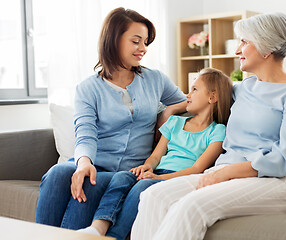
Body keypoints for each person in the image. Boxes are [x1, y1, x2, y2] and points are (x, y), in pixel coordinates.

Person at [131, 12, 286, 240]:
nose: (237, 50)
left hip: (275, 182)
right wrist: (171, 109)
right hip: (223, 173)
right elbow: (203, 97)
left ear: (266, 48)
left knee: (192, 206)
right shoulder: (242, 88)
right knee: (154, 195)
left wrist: (228, 172)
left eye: (244, 42)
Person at [35, 7, 188, 230]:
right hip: (95, 163)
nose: (143, 48)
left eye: (146, 42)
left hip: (129, 171)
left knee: (92, 184)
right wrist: (84, 163)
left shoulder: (155, 80)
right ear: (114, 40)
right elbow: (85, 132)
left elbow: (190, 101)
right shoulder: (88, 88)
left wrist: (168, 111)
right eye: (136, 41)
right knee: (58, 173)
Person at [77, 67, 233, 239]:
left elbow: (197, 168)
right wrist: (147, 167)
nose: (187, 95)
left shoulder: (218, 131)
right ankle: (97, 228)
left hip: (178, 178)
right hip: (157, 172)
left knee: (142, 187)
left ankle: (113, 236)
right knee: (122, 177)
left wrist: (159, 179)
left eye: (195, 89)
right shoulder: (174, 123)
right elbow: (156, 156)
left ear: (213, 97)